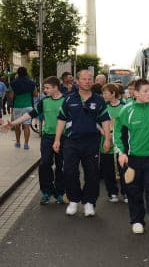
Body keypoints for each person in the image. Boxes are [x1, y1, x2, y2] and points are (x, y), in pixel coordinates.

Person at [53, 70, 111, 217]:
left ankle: (89, 202)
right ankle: (73, 200)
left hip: (92, 142)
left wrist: (108, 139)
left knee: (92, 173)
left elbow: (105, 120)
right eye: (84, 79)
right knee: (69, 172)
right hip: (71, 142)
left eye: (89, 79)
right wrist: (57, 139)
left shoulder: (99, 100)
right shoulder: (68, 99)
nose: (87, 81)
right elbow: (61, 119)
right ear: (77, 81)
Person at [114, 79, 149, 237]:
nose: (148, 94)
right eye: (144, 91)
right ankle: (137, 221)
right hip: (132, 159)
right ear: (135, 93)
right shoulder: (126, 110)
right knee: (134, 191)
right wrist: (122, 153)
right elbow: (118, 133)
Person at [1, 76, 65, 204]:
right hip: (47, 137)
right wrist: (13, 123)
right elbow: (29, 115)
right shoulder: (44, 101)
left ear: (55, 87)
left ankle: (59, 193)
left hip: (64, 138)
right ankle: (47, 192)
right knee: (44, 164)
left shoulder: (67, 101)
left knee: (60, 166)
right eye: (44, 88)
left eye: (47, 88)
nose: (44, 90)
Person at [101, 83, 126, 203]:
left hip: (121, 142)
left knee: (123, 168)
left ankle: (126, 193)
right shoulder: (103, 107)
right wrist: (105, 133)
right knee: (108, 168)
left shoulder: (125, 106)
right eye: (103, 93)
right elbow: (97, 121)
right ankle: (112, 192)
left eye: (106, 93)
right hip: (106, 141)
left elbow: (128, 123)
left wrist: (118, 134)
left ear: (113, 93)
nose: (103, 95)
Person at [9, 67, 38, 150]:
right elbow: (35, 94)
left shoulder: (13, 83)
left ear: (18, 73)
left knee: (17, 125)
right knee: (27, 126)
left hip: (17, 107)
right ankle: (26, 144)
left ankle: (18, 143)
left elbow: (11, 96)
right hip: (28, 106)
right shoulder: (32, 83)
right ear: (26, 73)